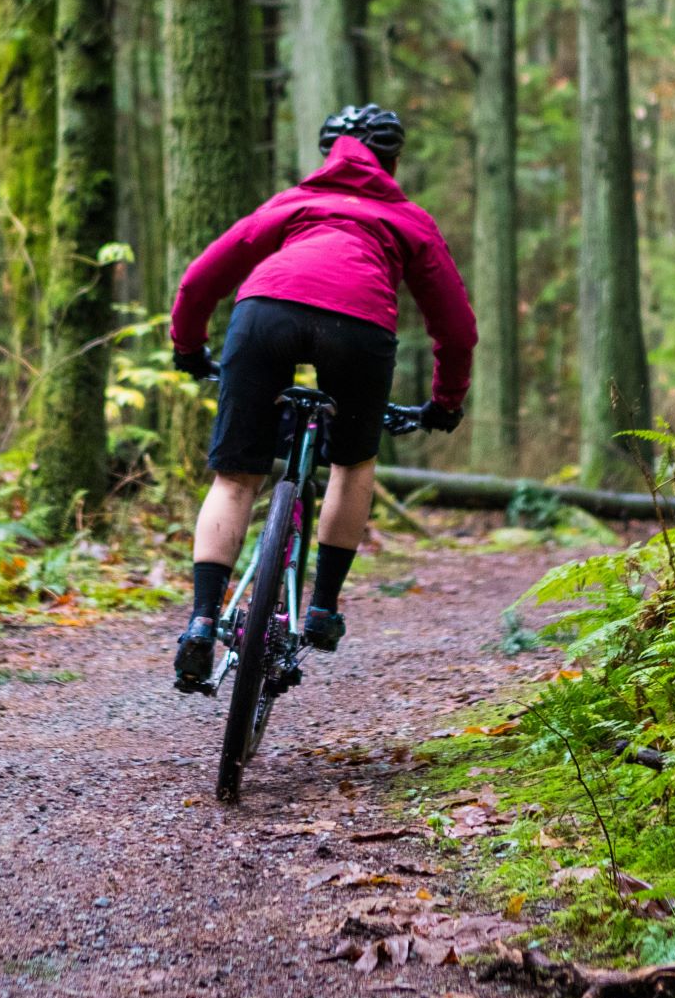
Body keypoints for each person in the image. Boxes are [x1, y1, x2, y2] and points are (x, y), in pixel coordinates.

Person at [167, 104, 476, 693]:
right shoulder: (409, 220)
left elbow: (202, 277)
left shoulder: (294, 203)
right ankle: (323, 608)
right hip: (359, 329)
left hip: (265, 314)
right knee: (352, 463)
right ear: (391, 163)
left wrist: (188, 346)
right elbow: (456, 328)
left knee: (234, 478)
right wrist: (445, 403)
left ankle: (202, 621)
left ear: (328, 156)